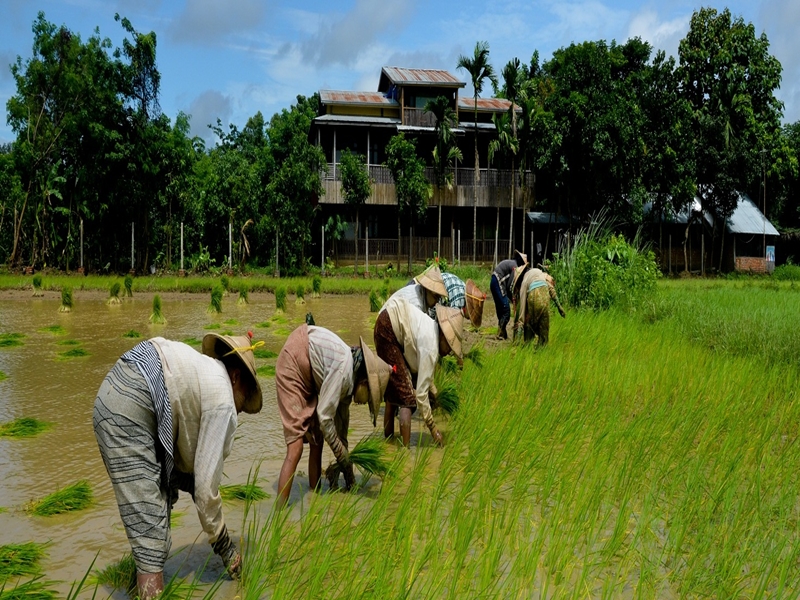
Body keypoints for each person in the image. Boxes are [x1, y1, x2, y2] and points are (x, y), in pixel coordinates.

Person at [93, 332, 262, 600]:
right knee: (151, 536)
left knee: (153, 523)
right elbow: (205, 491)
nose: (241, 407)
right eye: (246, 393)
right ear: (236, 377)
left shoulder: (205, 374)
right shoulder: (223, 400)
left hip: (116, 391)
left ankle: (140, 589)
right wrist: (226, 547)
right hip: (132, 405)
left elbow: (189, 478)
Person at [275, 325, 392, 507]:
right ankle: (279, 511)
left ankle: (314, 496)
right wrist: (340, 453)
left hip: (308, 374)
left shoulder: (349, 383)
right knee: (295, 447)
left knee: (317, 439)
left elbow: (341, 426)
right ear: (364, 383)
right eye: (369, 397)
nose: (365, 403)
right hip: (293, 363)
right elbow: (324, 417)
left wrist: (346, 468)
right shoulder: (343, 372)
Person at [374, 296, 463, 447]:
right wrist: (433, 428)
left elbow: (422, 372)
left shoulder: (431, 328)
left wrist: (434, 393)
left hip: (385, 322)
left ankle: (388, 442)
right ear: (443, 336)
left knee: (394, 391)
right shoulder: (431, 347)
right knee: (407, 398)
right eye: (449, 346)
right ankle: (405, 451)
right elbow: (421, 395)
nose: (449, 352)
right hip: (389, 330)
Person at [511, 266, 566, 345]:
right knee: (544, 327)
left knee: (530, 324)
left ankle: (523, 344)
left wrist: (520, 323)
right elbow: (551, 289)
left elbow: (522, 311)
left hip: (533, 296)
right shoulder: (539, 272)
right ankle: (542, 346)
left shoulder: (524, 282)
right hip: (545, 294)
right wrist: (559, 307)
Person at [490, 249, 527, 339]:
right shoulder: (515, 266)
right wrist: (512, 298)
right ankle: (500, 333)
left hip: (494, 281)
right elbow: (510, 285)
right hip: (498, 281)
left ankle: (502, 332)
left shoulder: (511, 263)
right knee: (506, 309)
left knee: (501, 309)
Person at [384, 265, 448, 315]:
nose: (436, 302)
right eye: (436, 297)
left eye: (439, 298)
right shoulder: (416, 303)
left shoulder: (421, 295)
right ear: (428, 290)